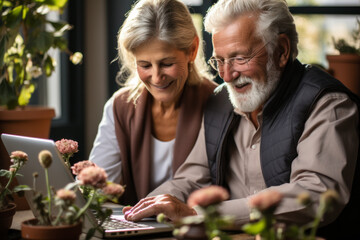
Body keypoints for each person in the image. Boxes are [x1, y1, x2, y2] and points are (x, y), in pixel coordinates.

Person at [122, 0, 360, 239]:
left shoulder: (328, 103)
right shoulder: (219, 101)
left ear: (281, 50)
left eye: (239, 58)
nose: (226, 75)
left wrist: (195, 213)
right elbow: (191, 180)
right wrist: (147, 208)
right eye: (220, 60)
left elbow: (315, 194)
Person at [88, 0, 217, 205]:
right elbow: (96, 190)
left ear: (192, 50)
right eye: (145, 65)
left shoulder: (218, 103)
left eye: (167, 64)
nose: (157, 78)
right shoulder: (119, 108)